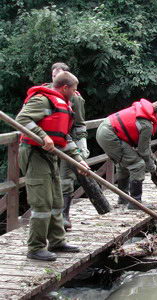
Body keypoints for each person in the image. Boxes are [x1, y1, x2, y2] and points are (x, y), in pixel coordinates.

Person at [16, 71, 89, 261]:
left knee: (57, 199)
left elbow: (65, 137)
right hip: (35, 155)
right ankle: (35, 248)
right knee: (42, 203)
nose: (75, 92)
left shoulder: (63, 105)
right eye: (74, 89)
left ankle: (57, 241)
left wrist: (79, 159)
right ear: (65, 87)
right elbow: (22, 119)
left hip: (50, 155)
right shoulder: (42, 100)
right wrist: (43, 136)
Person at [96, 99, 157, 209]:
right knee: (138, 165)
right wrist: (151, 166)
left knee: (123, 164)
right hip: (110, 135)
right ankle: (135, 202)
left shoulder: (140, 110)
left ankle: (123, 198)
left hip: (104, 128)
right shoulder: (147, 124)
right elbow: (143, 150)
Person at [43, 62, 90, 230]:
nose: (57, 79)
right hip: (45, 142)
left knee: (66, 179)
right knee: (46, 179)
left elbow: (79, 124)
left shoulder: (75, 97)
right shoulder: (44, 94)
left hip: (67, 141)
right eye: (54, 76)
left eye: (60, 76)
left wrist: (81, 145)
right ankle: (49, 216)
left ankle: (64, 216)